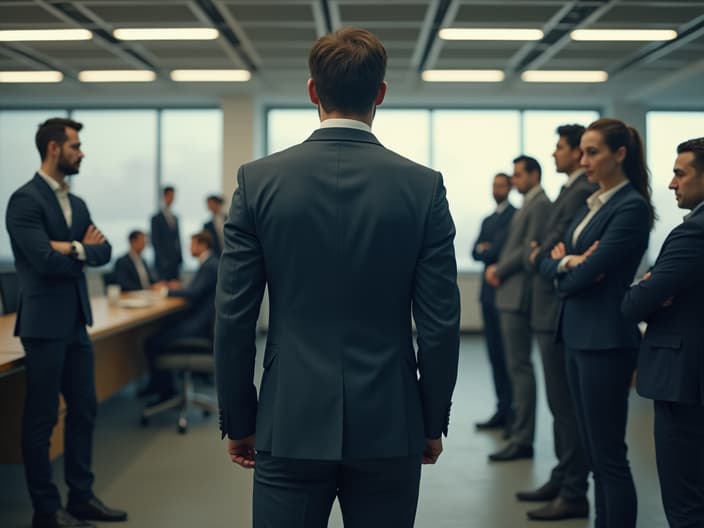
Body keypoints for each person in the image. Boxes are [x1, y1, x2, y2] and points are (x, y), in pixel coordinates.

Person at [214, 27, 460, 528]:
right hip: (391, 422)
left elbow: (234, 319)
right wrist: (429, 422)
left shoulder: (257, 181)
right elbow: (439, 327)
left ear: (312, 91)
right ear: (381, 94)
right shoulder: (422, 187)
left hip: (288, 421)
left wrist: (241, 420)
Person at [5, 117, 127, 528]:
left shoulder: (77, 203)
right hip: (42, 325)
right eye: (76, 145)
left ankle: (80, 497)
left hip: (76, 322)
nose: (82, 152)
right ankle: (46, 509)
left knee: (85, 410)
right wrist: (79, 251)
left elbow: (105, 251)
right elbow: (41, 260)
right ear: (54, 148)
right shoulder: (24, 201)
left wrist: (70, 247)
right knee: (42, 418)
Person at [540, 117, 655, 528]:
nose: (583, 160)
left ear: (619, 154)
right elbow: (550, 262)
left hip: (605, 341)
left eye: (593, 152)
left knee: (608, 456)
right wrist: (568, 262)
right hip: (576, 335)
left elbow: (589, 275)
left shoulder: (631, 208)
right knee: (592, 451)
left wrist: (563, 267)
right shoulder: (595, 203)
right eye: (582, 152)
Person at [621, 137, 704, 528]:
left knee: (685, 500)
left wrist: (643, 288)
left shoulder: (693, 234)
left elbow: (635, 303)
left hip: (684, 381)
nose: (672, 183)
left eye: (680, 173)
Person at [518, 125, 594, 520]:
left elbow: (549, 248)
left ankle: (573, 489)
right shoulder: (570, 191)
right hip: (549, 308)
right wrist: (541, 253)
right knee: (560, 404)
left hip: (555, 310)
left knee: (565, 407)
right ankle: (564, 474)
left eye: (559, 148)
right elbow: (548, 245)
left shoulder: (580, 191)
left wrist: (539, 255)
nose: (554, 155)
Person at [485, 155, 551, 462]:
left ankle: (523, 438)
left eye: (519, 175)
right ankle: (517, 430)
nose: (514, 181)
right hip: (511, 294)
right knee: (515, 368)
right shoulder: (529, 203)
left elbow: (528, 247)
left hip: (519, 294)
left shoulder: (538, 205)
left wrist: (499, 268)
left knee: (520, 369)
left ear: (534, 175)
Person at [141, 230, 219, 402]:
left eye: (192, 244)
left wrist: (165, 291)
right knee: (161, 329)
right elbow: (198, 289)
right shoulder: (210, 264)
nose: (189, 248)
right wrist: (180, 286)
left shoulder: (209, 266)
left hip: (197, 327)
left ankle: (165, 391)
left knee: (151, 342)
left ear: (202, 245)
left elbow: (195, 293)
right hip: (201, 322)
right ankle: (165, 386)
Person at [472, 172, 516, 433]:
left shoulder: (515, 216)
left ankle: (514, 414)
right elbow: (474, 251)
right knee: (495, 357)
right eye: (494, 184)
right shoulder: (488, 219)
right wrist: (485, 250)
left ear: (509, 187)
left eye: (501, 184)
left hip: (506, 292)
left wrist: (487, 250)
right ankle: (502, 410)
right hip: (487, 295)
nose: (496, 188)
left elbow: (496, 249)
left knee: (510, 357)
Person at [151, 185, 182, 280]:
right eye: (170, 196)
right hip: (162, 263)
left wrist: (180, 257)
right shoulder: (156, 218)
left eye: (173, 196)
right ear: (164, 197)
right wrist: (162, 260)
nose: (172, 199)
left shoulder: (175, 218)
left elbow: (178, 239)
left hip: (175, 262)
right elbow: (155, 241)